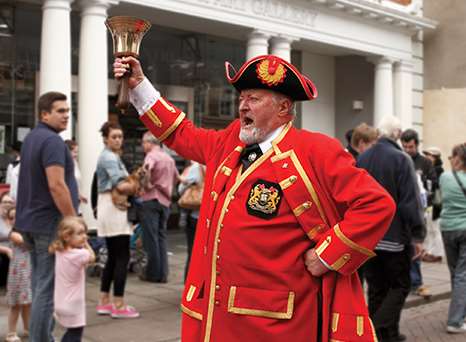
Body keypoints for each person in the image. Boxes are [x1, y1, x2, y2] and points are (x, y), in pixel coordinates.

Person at [114, 54, 395, 341]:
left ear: (284, 107)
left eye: (254, 99)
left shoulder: (315, 149)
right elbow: (182, 134)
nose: (242, 106)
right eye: (242, 98)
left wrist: (327, 256)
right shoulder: (230, 140)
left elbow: (376, 204)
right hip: (216, 315)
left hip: (277, 322)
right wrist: (139, 86)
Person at [15, 91, 79, 342]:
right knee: (46, 289)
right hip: (48, 224)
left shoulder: (32, 138)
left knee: (39, 284)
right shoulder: (52, 141)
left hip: (31, 224)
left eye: (68, 111)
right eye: (60, 111)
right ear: (44, 114)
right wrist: (73, 221)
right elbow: (56, 185)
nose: (66, 115)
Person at [357, 116, 426, 342]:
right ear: (397, 133)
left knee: (377, 289)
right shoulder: (401, 159)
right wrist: (417, 234)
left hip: (368, 237)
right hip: (394, 238)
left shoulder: (363, 158)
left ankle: (389, 335)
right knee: (400, 285)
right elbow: (409, 202)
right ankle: (376, 328)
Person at [95, 122, 139, 319]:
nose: (118, 140)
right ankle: (118, 304)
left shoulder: (109, 156)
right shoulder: (109, 157)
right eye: (114, 136)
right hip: (114, 207)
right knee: (122, 256)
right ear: (105, 138)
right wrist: (136, 185)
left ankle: (104, 301)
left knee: (113, 257)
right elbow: (121, 187)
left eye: (120, 136)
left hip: (108, 206)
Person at [138, 131, 179, 283]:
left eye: (144, 142)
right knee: (161, 238)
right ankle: (163, 274)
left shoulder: (151, 156)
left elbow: (145, 172)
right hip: (166, 202)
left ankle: (153, 274)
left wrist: (146, 185)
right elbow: (177, 178)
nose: (143, 146)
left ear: (150, 143)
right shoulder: (169, 158)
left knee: (151, 238)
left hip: (152, 199)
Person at [400, 128, 436, 298]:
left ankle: (416, 282)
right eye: (405, 146)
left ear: (417, 145)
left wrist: (426, 201)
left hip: (419, 210)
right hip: (402, 210)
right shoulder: (399, 159)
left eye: (411, 147)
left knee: (416, 245)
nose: (408, 150)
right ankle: (405, 282)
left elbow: (433, 185)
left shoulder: (425, 163)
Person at [49, 216, 95, 342]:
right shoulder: (80, 254)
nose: (84, 236)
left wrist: (80, 240)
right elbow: (92, 257)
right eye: (80, 233)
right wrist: (86, 244)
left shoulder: (59, 250)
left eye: (85, 232)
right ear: (66, 236)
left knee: (71, 332)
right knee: (75, 334)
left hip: (59, 302)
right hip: (74, 304)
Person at [439, 143, 466, 334]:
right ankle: (455, 321)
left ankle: (460, 313)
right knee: (462, 275)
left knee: (455, 272)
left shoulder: (445, 177)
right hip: (465, 228)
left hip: (447, 228)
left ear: (458, 158)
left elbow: (441, 198)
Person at [5, 207, 31, 342]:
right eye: (12, 217)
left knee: (27, 303)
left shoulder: (27, 232)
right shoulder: (13, 234)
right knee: (15, 304)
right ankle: (11, 332)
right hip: (18, 273)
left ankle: (27, 328)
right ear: (9, 221)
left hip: (28, 271)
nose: (16, 219)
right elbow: (25, 243)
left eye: (18, 216)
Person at [178, 161, 204, 281]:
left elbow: (181, 189)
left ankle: (190, 284)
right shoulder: (223, 162)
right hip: (213, 216)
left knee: (193, 251)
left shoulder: (196, 167)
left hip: (196, 215)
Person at [422, 147, 444, 262]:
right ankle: (430, 251)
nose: (426, 157)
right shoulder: (429, 169)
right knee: (430, 228)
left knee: (435, 229)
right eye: (426, 154)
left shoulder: (439, 170)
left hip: (436, 203)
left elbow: (437, 189)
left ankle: (438, 253)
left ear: (435, 157)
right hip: (430, 203)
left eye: (429, 155)